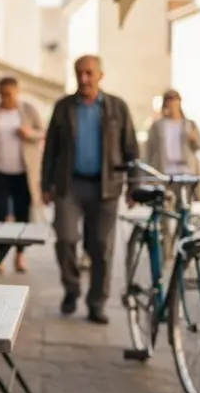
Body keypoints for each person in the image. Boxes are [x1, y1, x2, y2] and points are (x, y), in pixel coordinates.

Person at [40, 55, 139, 325]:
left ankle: (97, 302)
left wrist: (135, 185)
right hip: (68, 185)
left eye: (88, 73)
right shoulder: (64, 107)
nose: (84, 79)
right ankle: (72, 289)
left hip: (106, 187)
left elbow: (131, 148)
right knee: (66, 239)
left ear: (100, 75)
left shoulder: (116, 107)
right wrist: (45, 185)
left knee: (101, 248)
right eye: (79, 73)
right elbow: (50, 148)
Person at [0, 76, 46, 273]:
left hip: (23, 172)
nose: (5, 99)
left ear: (17, 92)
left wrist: (29, 134)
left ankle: (20, 255)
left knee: (23, 214)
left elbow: (42, 132)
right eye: (2, 94)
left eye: (9, 94)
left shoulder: (28, 110)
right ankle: (0, 256)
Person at [143, 89, 200, 258]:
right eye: (168, 99)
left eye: (174, 99)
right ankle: (166, 249)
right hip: (164, 174)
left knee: (183, 214)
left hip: (186, 174)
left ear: (180, 102)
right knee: (163, 214)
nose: (171, 102)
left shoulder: (189, 124)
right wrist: (147, 175)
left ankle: (182, 248)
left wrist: (194, 138)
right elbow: (149, 150)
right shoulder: (157, 125)